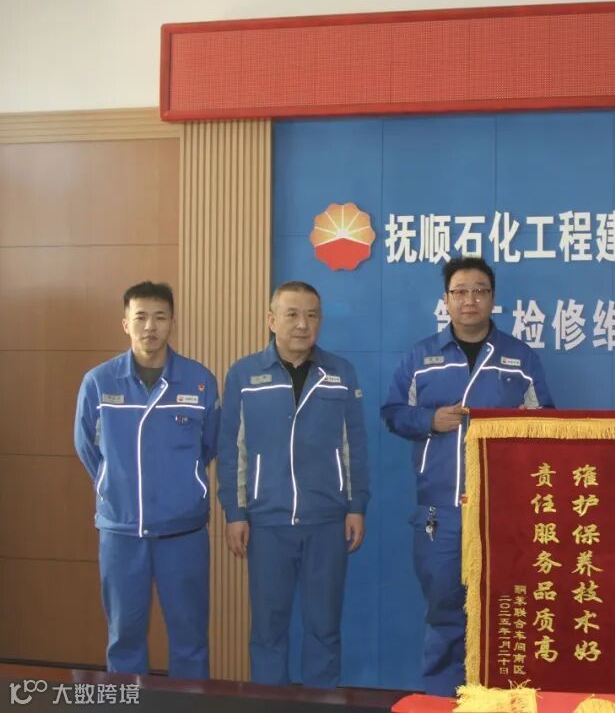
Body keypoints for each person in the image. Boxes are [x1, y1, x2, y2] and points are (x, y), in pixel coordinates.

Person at [381, 257, 554, 696]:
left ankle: (503, 699)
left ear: (493, 298)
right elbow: (393, 413)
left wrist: (520, 428)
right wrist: (428, 420)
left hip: (504, 511)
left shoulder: (519, 358)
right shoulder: (421, 357)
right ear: (446, 299)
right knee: (444, 612)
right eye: (460, 291)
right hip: (440, 512)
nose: (469, 299)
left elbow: (548, 421)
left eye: (479, 290)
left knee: (506, 612)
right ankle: (443, 698)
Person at [216, 280, 370, 688]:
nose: (303, 324)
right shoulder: (245, 374)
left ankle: (322, 701)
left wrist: (356, 505)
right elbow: (232, 450)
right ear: (272, 320)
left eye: (312, 315)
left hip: (327, 522)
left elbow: (354, 445)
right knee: (268, 629)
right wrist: (235, 512)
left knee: (325, 627)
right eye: (292, 314)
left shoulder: (340, 373)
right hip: (267, 523)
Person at [74, 281, 220, 678]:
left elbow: (209, 446)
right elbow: (86, 446)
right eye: (140, 317)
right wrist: (113, 484)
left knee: (190, 638)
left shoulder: (199, 381)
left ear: (172, 321)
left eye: (160, 317)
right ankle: (127, 704)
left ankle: (190, 705)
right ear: (125, 323)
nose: (150, 327)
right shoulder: (99, 382)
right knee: (124, 637)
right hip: (122, 532)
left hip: (183, 532)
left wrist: (182, 487)